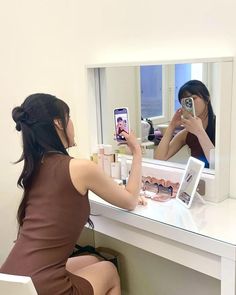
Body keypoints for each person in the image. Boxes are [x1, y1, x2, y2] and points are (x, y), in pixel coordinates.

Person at [0, 93, 144, 295]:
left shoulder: (35, 166)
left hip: (10, 278)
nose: (72, 124)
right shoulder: (80, 168)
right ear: (58, 123)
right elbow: (129, 201)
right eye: (69, 118)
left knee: (92, 260)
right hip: (41, 286)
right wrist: (137, 152)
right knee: (109, 271)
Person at [154, 80, 215, 168]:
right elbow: (159, 158)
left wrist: (199, 132)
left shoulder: (220, 126)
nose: (190, 104)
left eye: (193, 98)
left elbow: (216, 163)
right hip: (197, 179)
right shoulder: (187, 132)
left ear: (207, 99)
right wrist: (172, 126)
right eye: (185, 101)